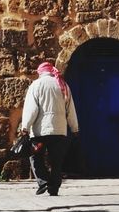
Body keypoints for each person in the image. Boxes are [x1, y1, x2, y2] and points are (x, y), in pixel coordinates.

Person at [19, 61, 79, 196]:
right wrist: (74, 128)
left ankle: (44, 181)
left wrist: (25, 127)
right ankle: (54, 188)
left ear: (40, 72)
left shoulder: (36, 85)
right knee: (56, 161)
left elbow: (31, 109)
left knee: (36, 157)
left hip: (40, 132)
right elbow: (70, 109)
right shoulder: (63, 85)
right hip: (59, 131)